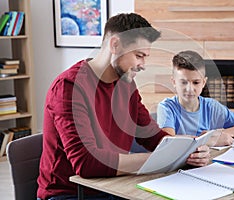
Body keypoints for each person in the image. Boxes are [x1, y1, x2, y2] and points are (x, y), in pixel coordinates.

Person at [37, 14, 210, 200]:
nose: (142, 65)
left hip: (112, 186)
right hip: (68, 194)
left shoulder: (126, 85)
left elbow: (152, 136)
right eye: (139, 56)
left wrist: (190, 150)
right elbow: (86, 164)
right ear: (114, 45)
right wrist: (162, 160)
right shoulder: (69, 88)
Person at [157, 50, 234, 146]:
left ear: (204, 82)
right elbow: (168, 142)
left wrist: (221, 134)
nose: (190, 89)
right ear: (174, 82)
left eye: (196, 82)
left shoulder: (212, 106)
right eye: (183, 82)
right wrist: (206, 140)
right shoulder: (166, 107)